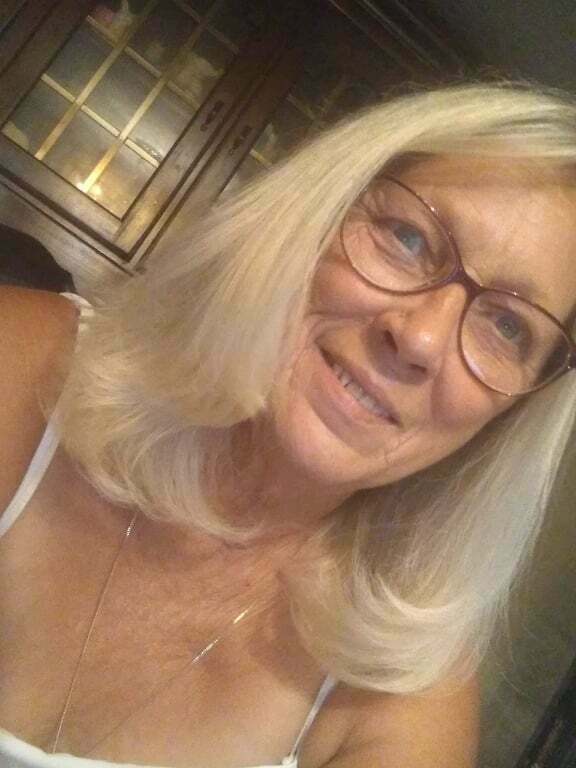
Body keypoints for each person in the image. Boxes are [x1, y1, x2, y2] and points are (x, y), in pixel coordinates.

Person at [1, 81, 576, 768]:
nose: (421, 339)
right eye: (408, 237)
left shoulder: (403, 695)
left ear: (514, 413)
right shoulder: (26, 365)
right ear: (316, 212)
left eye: (508, 327)